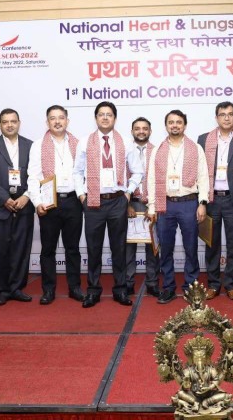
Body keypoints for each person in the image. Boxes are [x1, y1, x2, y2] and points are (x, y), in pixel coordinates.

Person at [73, 101, 142, 308]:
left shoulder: (126, 143)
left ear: (115, 118)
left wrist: (128, 194)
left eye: (109, 114)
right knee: (93, 249)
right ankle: (93, 291)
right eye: (101, 114)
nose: (105, 118)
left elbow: (138, 171)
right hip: (93, 202)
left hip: (117, 201)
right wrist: (81, 196)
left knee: (118, 248)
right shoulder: (85, 142)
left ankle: (120, 290)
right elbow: (77, 172)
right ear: (96, 118)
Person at [147, 110, 209, 304]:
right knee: (166, 249)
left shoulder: (196, 148)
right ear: (166, 125)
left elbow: (203, 177)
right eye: (171, 122)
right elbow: (151, 179)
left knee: (191, 248)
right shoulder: (157, 149)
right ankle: (168, 288)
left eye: (178, 122)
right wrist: (151, 206)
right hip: (165, 204)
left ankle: (191, 287)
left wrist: (202, 202)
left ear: (185, 125)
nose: (175, 125)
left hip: (189, 203)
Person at [26, 105, 84, 305]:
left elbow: (84, 173)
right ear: (47, 122)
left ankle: (75, 288)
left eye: (61, 118)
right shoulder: (38, 145)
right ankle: (48, 290)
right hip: (49, 202)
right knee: (48, 249)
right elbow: (33, 177)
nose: (57, 121)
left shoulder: (78, 144)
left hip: (73, 201)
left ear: (67, 121)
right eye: (53, 118)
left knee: (73, 248)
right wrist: (37, 202)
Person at [196, 102, 233, 301]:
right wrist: (201, 201)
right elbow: (199, 172)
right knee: (211, 243)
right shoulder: (203, 139)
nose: (226, 118)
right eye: (222, 114)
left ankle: (231, 284)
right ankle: (213, 284)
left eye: (230, 114)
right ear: (216, 117)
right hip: (211, 199)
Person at [0, 108, 35, 306]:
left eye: (13, 121)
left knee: (21, 249)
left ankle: (17, 288)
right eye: (5, 122)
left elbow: (36, 175)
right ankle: (2, 290)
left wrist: (26, 196)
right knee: (0, 250)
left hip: (24, 204)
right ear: (0, 125)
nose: (10, 125)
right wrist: (4, 199)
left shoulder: (30, 145)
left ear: (19, 123)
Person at [125, 117, 160, 297]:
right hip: (130, 203)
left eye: (145, 128)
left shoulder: (158, 151)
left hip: (151, 203)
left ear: (150, 131)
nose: (141, 131)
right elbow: (119, 178)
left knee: (152, 247)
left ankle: (152, 283)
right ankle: (128, 283)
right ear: (132, 131)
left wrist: (153, 205)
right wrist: (126, 204)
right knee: (128, 247)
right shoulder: (123, 150)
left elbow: (161, 180)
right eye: (137, 128)